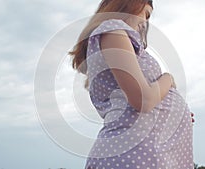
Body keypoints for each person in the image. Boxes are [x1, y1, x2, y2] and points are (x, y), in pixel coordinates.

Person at [69, 0, 195, 168]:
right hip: (134, 156)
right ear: (130, 4)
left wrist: (175, 116)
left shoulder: (117, 37)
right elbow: (143, 99)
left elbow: (130, 105)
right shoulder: (112, 30)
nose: (145, 23)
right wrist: (168, 78)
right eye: (147, 14)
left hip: (143, 154)